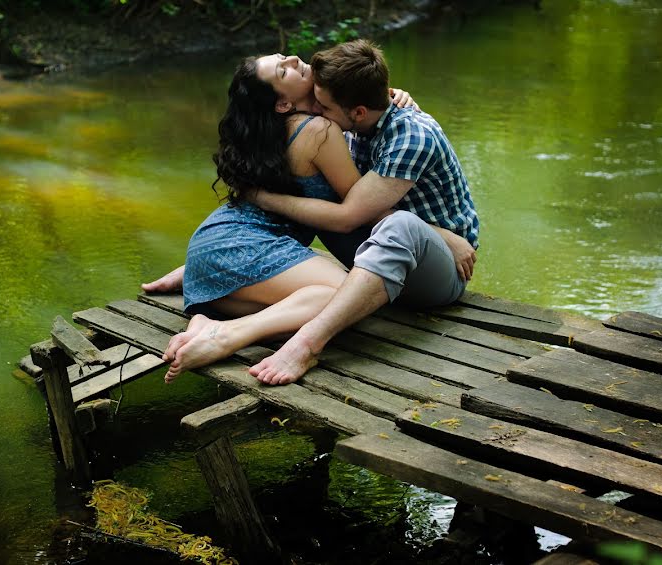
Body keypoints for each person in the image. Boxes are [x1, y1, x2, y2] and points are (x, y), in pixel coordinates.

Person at [145, 48, 475, 383]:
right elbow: (351, 210)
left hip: (432, 260)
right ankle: (226, 331)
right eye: (284, 71)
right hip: (244, 245)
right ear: (283, 103)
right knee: (341, 303)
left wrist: (445, 235)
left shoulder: (304, 127)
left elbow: (351, 210)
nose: (293, 61)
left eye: (285, 57)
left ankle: (216, 324)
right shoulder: (323, 127)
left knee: (350, 291)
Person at [247, 39, 480, 385]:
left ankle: (308, 343)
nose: (317, 114)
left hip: (440, 272)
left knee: (398, 224)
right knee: (315, 189)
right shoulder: (358, 121)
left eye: (322, 107)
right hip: (381, 248)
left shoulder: (412, 136)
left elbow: (350, 216)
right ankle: (228, 260)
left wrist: (264, 198)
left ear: (357, 112)